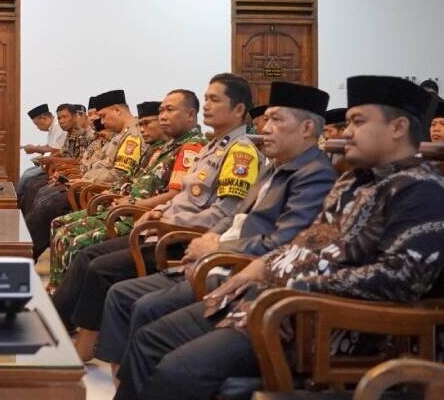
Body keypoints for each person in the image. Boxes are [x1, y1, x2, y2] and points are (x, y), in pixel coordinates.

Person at [114, 75, 444, 400]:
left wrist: (297, 285)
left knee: (177, 370)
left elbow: (401, 278)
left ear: (398, 128)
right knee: (151, 338)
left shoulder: (421, 189)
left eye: (357, 122)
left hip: (321, 321)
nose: (347, 133)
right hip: (272, 301)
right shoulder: (352, 181)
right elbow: (311, 241)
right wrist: (264, 268)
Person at [99, 82, 335, 377]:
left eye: (276, 120)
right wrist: (211, 239)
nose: (265, 127)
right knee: (125, 296)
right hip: (218, 258)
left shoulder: (313, 176)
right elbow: (236, 215)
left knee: (146, 316)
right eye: (267, 119)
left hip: (239, 271)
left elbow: (283, 242)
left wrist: (217, 248)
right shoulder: (275, 165)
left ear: (308, 128)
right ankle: (125, 381)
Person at [52, 74, 262, 360]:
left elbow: (226, 212)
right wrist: (157, 210)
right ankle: (56, 325)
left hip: (181, 239)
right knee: (89, 256)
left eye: (214, 100)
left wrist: (165, 222)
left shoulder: (240, 153)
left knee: (99, 266)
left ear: (238, 109)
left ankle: (84, 344)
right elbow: (182, 196)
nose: (207, 106)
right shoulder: (213, 148)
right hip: (158, 226)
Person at [48, 93, 206, 288]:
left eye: (169, 111)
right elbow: (132, 180)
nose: (143, 129)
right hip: (124, 207)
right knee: (60, 226)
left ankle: (64, 296)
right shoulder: (161, 148)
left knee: (76, 242)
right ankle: (59, 290)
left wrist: (129, 203)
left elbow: (174, 194)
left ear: (190, 114)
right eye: (162, 111)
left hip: (138, 216)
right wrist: (114, 194)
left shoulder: (190, 147)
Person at [26, 90, 145, 259]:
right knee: (41, 194)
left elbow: (117, 175)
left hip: (96, 191)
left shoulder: (131, 136)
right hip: (86, 184)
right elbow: (97, 164)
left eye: (102, 116)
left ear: (117, 110)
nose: (100, 121)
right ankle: (22, 248)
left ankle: (25, 255)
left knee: (48, 204)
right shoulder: (120, 135)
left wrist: (82, 180)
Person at [17, 103, 68, 198]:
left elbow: (56, 150)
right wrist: (38, 153)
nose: (37, 127)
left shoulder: (58, 126)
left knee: (30, 180)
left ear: (43, 118)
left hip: (58, 167)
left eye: (37, 124)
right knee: (27, 174)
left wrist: (35, 149)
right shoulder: (52, 127)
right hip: (51, 164)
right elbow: (50, 146)